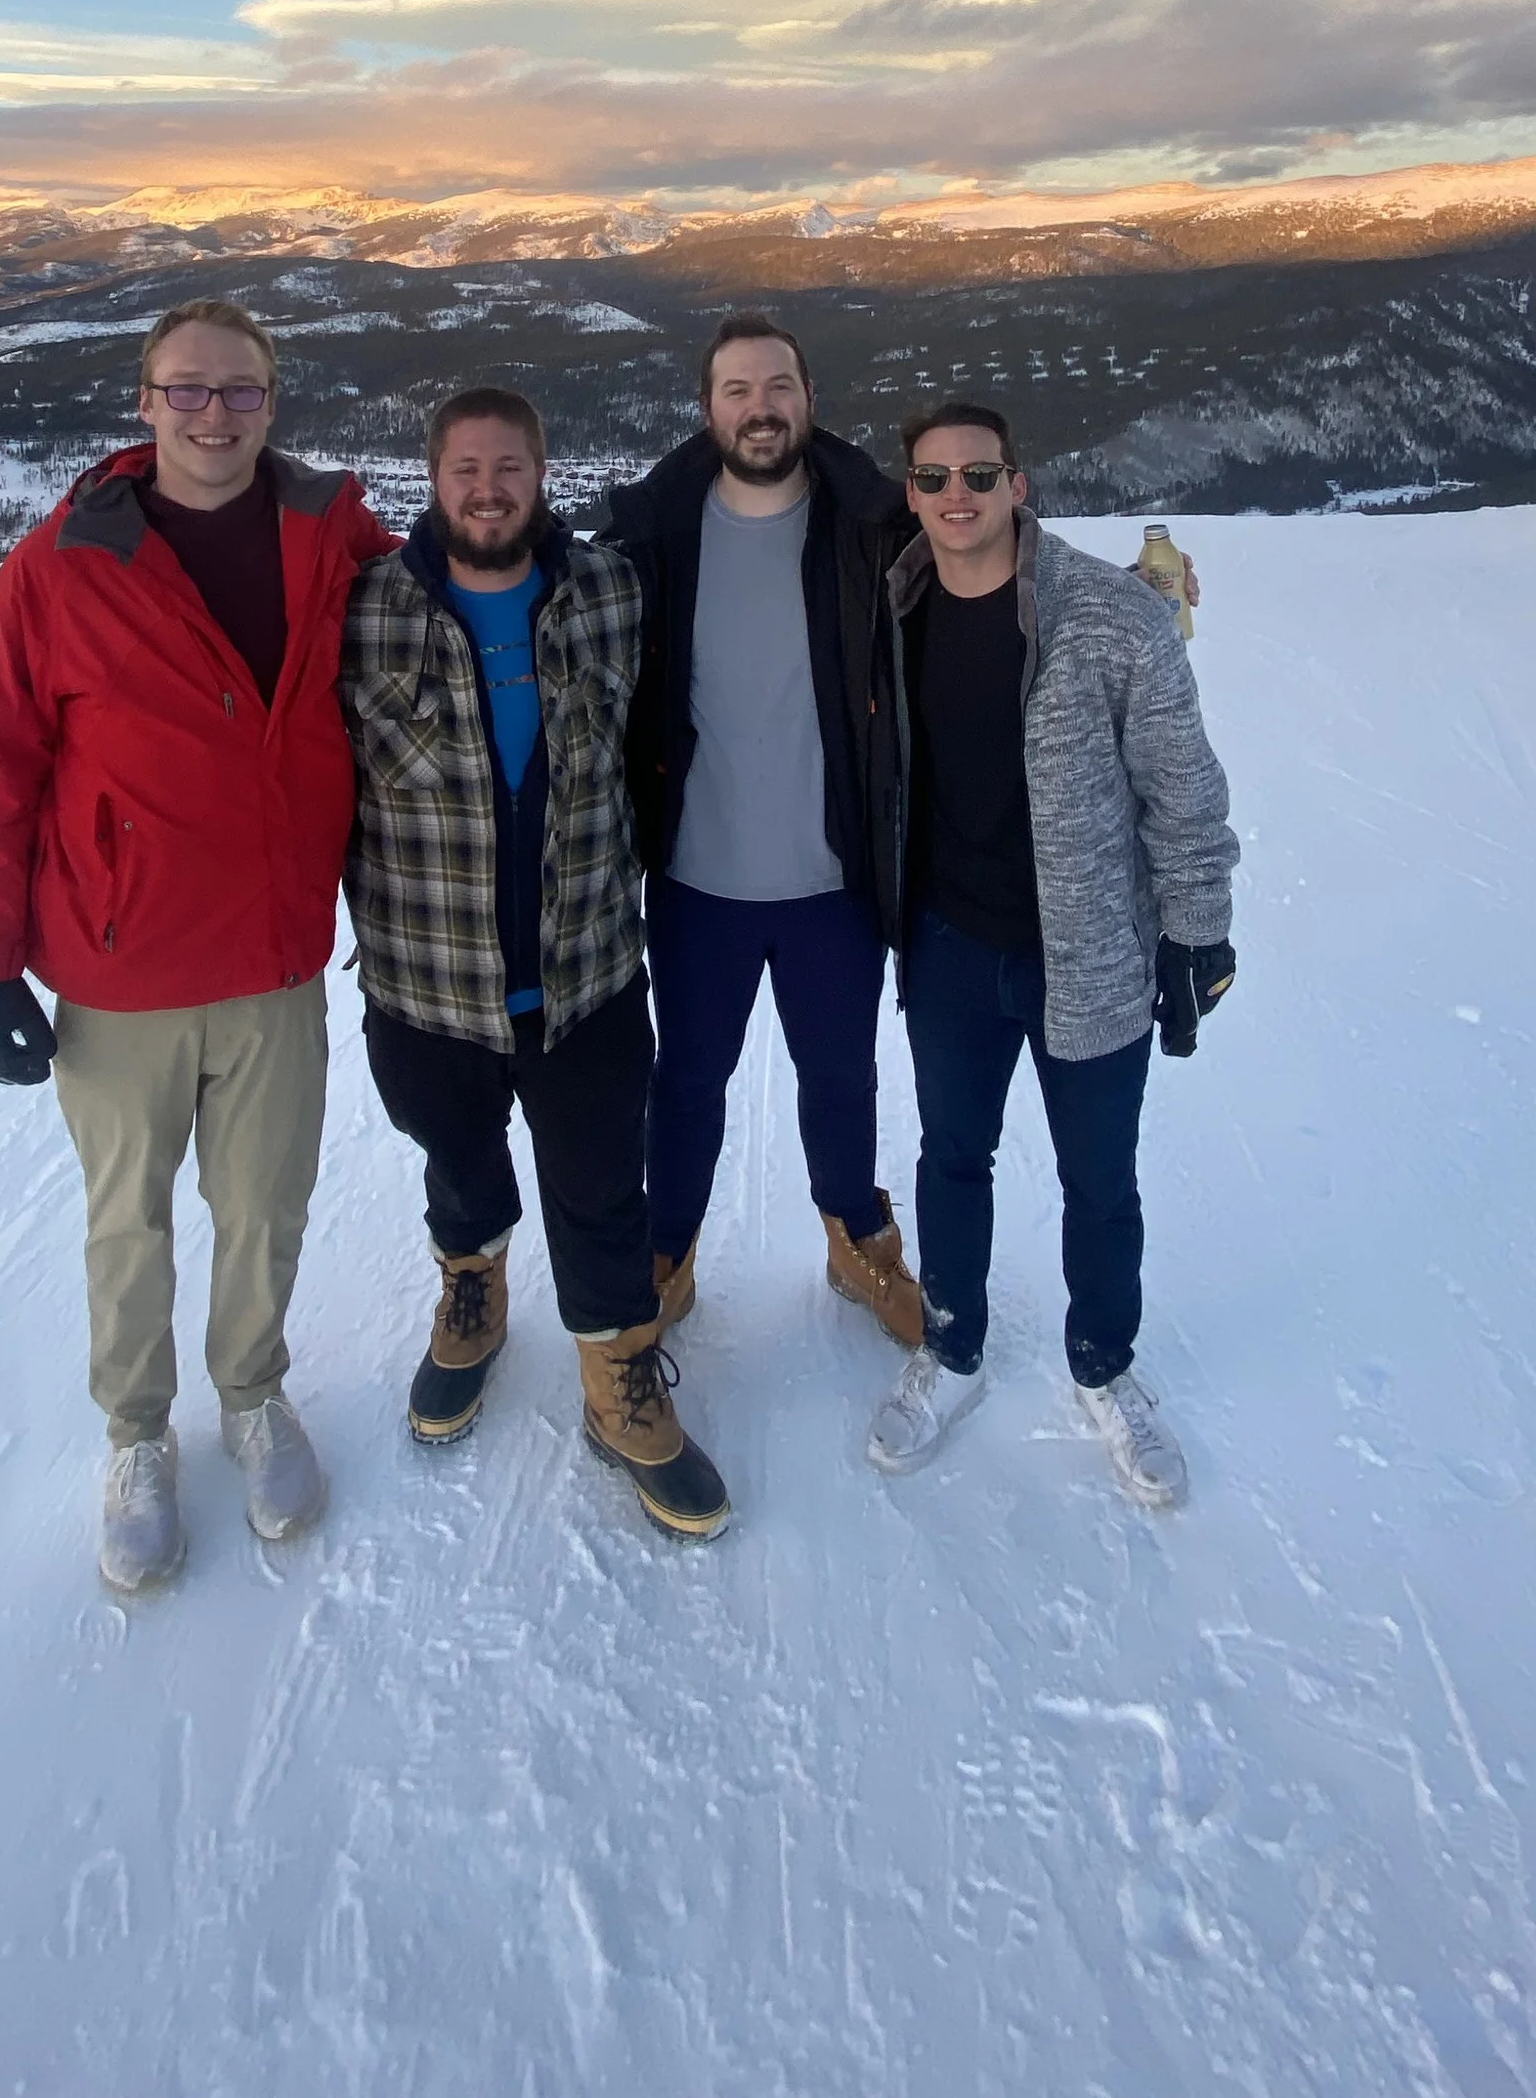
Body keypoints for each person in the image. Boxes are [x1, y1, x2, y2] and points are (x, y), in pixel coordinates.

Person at [0, 299, 394, 1593]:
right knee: (126, 1222)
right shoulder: (58, 568)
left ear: (272, 402)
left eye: (239, 390)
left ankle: (251, 1394)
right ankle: (137, 1435)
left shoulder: (330, 532)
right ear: (144, 403)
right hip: (120, 966)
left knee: (264, 1206)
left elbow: (452, 589)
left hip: (272, 959)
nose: (213, 413)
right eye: (186, 389)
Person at [343, 388, 730, 1540]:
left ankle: (618, 1376)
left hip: (586, 975)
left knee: (604, 1187)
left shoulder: (609, 591)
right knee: (457, 1162)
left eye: (508, 466)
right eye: (465, 468)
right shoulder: (363, 609)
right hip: (424, 983)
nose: (487, 489)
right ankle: (473, 1286)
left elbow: (766, 568)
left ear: (542, 472)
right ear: (432, 477)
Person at [866, 400, 1238, 1507]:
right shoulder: (891, 605)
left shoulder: (1110, 616)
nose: (958, 496)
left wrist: (1198, 929)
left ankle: (1105, 1365)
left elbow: (1183, 785)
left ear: (1018, 485)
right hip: (948, 945)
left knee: (1099, 1182)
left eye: (980, 475)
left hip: (1090, 954)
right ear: (910, 495)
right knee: (951, 1158)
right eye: (935, 478)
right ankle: (952, 1347)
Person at [603, 313, 922, 1343]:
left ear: (809, 398)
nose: (760, 408)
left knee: (841, 1077)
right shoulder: (652, 537)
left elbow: (991, 563)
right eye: (737, 390)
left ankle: (855, 1236)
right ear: (707, 409)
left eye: (778, 386)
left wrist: (1128, 587)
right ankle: (668, 1251)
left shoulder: (874, 527)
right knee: (688, 1082)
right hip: (699, 880)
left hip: (834, 878)